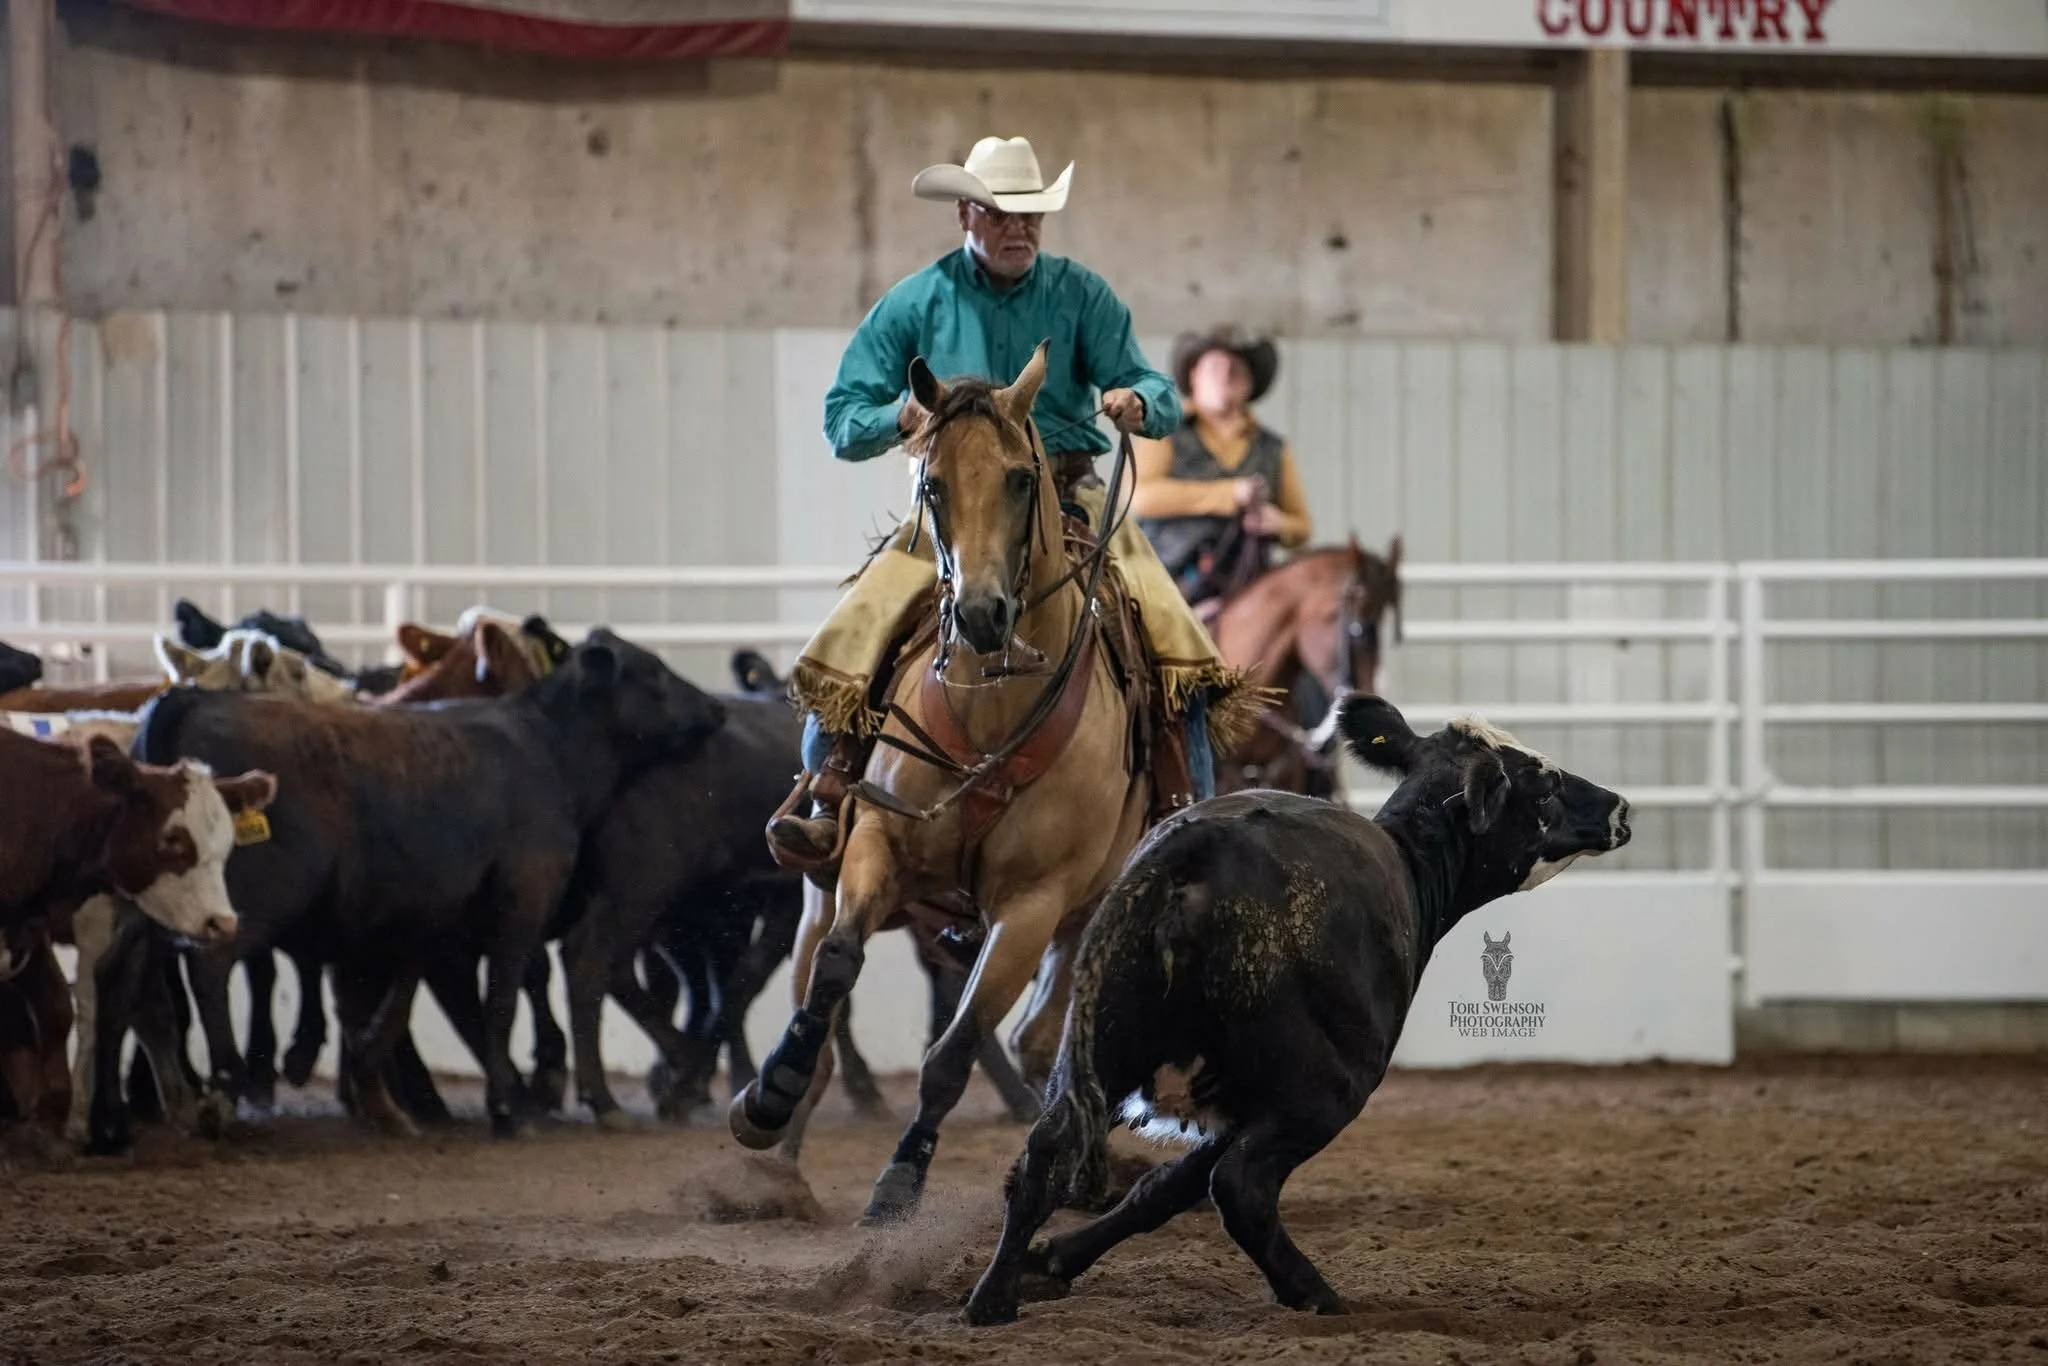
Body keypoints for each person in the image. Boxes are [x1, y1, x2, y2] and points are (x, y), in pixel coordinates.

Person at [767, 136, 1256, 869]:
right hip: (954, 512)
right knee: (854, 635)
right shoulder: (915, 301)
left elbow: (1157, 391)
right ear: (966, 213)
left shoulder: (1082, 294)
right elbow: (842, 416)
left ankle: (1186, 821)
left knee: (1177, 645)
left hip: (1068, 496)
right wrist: (899, 418)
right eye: (1001, 214)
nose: (1019, 227)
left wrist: (1135, 401)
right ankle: (829, 791)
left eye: (1032, 214)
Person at [1132, 326, 1312, 618]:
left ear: (1249, 384)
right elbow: (1141, 497)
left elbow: (1301, 526)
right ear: (1194, 376)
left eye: (1236, 370)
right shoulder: (1165, 433)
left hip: (1250, 584)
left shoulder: (1274, 448)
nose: (1225, 376)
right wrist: (1231, 494)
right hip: (1171, 576)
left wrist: (1276, 522)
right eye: (1214, 367)